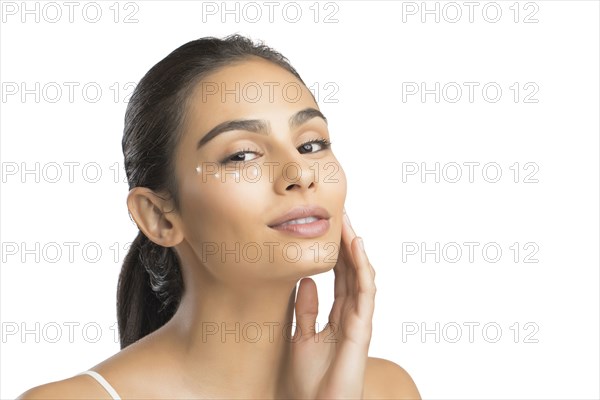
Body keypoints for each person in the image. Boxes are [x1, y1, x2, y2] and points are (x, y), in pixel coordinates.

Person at [18, 34, 420, 399]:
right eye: (242, 155)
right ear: (159, 216)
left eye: (312, 144)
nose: (300, 173)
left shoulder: (387, 389)